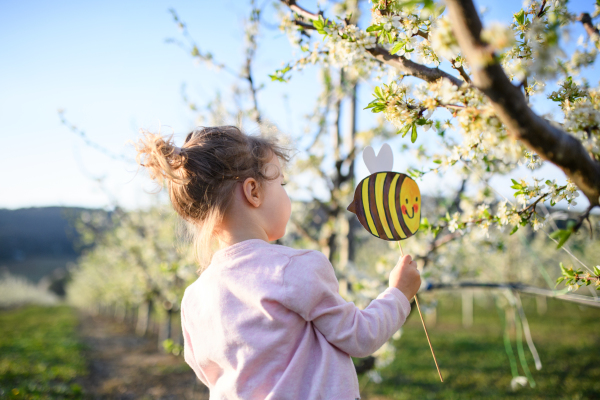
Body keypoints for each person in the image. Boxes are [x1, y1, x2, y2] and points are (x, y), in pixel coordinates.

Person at [134, 125, 421, 400]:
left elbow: (208, 373)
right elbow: (360, 336)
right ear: (253, 192)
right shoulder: (294, 268)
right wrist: (398, 293)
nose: (286, 193)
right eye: (281, 182)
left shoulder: (194, 298)